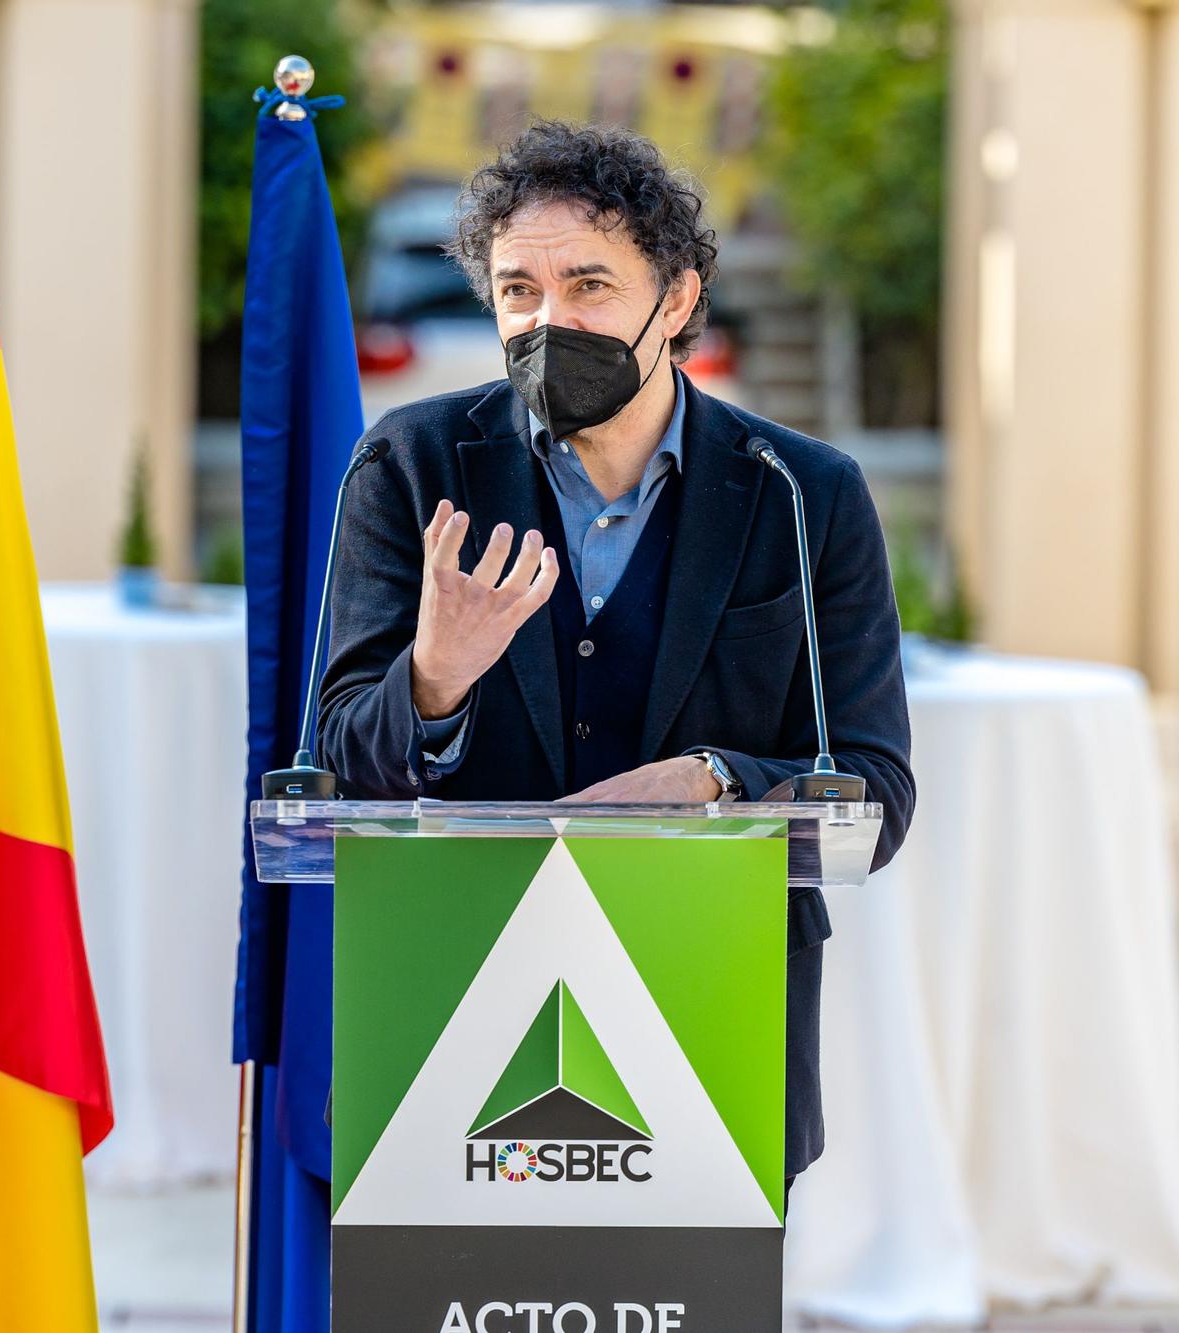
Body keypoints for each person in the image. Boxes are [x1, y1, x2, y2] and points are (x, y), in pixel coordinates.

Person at [316, 121, 915, 1187]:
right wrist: (435, 677)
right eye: (517, 291)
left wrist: (713, 781)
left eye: (589, 284)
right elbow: (337, 764)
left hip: (710, 1004)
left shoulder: (801, 493)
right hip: (451, 1004)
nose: (550, 321)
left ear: (676, 299)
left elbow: (873, 796)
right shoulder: (407, 467)